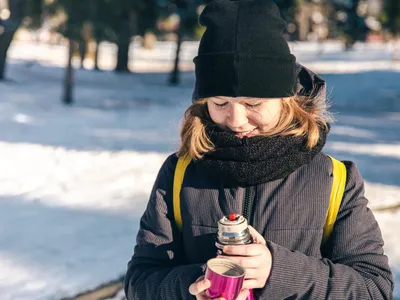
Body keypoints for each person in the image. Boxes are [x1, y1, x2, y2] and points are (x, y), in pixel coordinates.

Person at [124, 0, 394, 299]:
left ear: (287, 99)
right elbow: (141, 281)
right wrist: (193, 285)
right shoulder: (179, 174)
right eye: (220, 103)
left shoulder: (335, 180)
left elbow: (373, 288)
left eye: (253, 103)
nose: (236, 120)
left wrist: (278, 272)